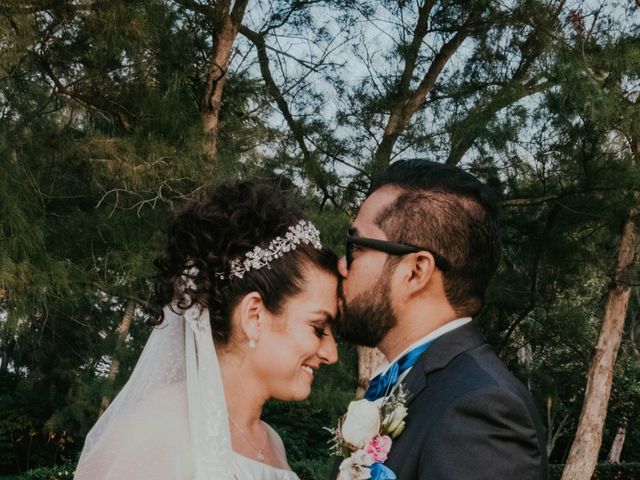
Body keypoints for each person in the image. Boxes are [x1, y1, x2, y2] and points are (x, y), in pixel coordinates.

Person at [75, 181, 339, 480]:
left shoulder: (272, 443)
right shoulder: (152, 430)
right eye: (318, 328)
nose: (331, 354)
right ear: (254, 316)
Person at [333, 159, 548, 479]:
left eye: (355, 247)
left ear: (416, 271)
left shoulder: (480, 409)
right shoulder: (403, 384)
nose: (341, 265)